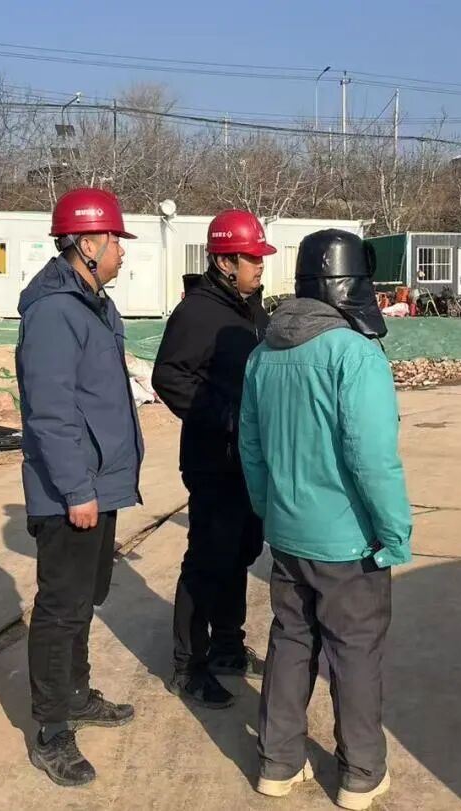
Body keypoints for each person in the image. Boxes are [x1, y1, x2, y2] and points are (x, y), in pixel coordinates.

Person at [239, 230, 411, 810]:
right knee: (354, 650)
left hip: (288, 533)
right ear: (352, 283)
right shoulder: (354, 354)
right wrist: (394, 532)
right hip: (347, 541)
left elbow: (251, 447)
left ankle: (277, 764)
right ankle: (361, 773)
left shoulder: (263, 353)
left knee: (291, 640)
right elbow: (372, 458)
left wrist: (269, 510)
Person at [16, 187, 145, 786]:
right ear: (87, 244)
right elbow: (51, 411)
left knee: (84, 601)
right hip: (72, 491)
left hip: (100, 484)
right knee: (60, 610)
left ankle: (76, 694)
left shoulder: (95, 304)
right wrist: (75, 489)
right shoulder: (54, 311)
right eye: (116, 240)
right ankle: (51, 732)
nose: (122, 251)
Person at [151, 209, 274, 708]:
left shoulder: (252, 311)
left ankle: (227, 645)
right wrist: (226, 417)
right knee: (207, 559)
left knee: (240, 553)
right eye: (252, 259)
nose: (260, 266)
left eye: (261, 258)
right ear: (225, 261)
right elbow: (169, 376)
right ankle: (189, 665)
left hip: (248, 461)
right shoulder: (198, 313)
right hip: (214, 461)